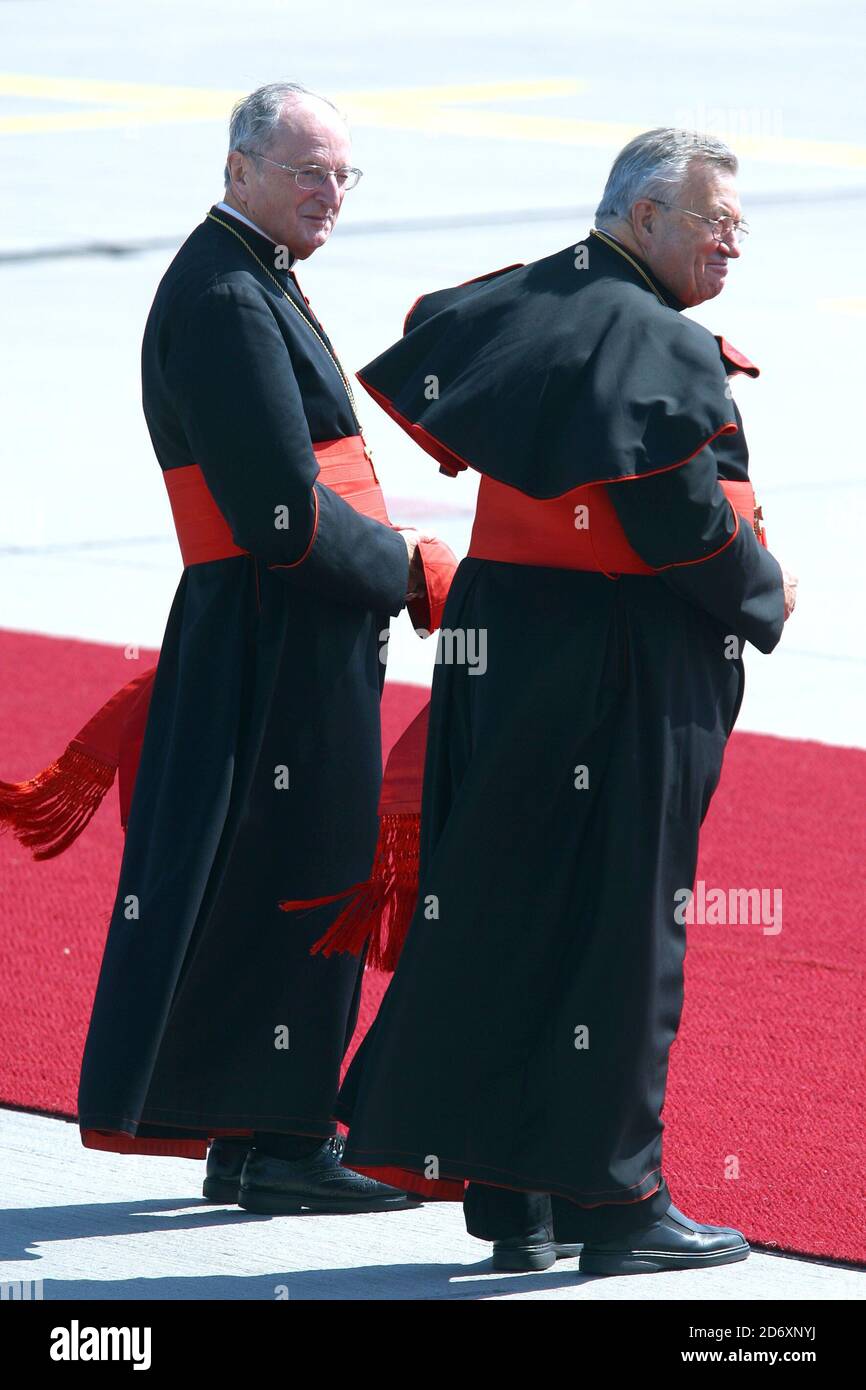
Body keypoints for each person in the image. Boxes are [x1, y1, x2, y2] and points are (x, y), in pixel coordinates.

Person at [330, 128, 798, 1274]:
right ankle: (613, 1201)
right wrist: (767, 592)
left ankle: (512, 1197)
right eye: (712, 219)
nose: (731, 241)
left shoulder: (519, 296)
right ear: (641, 217)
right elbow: (679, 524)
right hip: (620, 659)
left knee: (502, 909)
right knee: (622, 935)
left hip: (502, 647)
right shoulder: (653, 337)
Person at [0, 80, 456, 1215]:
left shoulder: (252, 277)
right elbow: (280, 515)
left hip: (291, 628)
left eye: (343, 174)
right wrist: (406, 569)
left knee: (282, 880)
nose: (329, 193)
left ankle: (267, 1132)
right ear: (238, 168)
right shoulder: (221, 294)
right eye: (307, 169)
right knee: (298, 882)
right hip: (274, 632)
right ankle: (278, 1143)